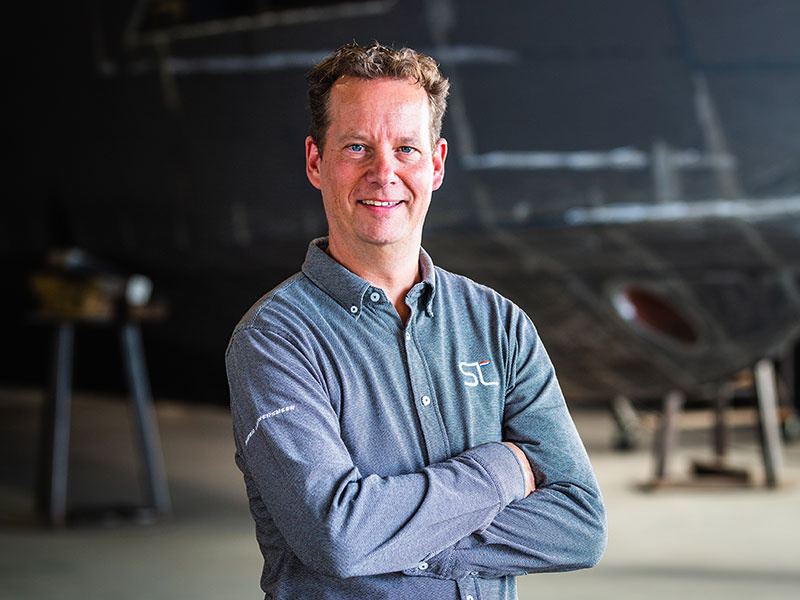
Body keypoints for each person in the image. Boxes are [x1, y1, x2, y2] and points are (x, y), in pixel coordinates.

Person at [226, 42, 606, 600]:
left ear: (437, 164)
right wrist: (502, 470)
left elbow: (579, 526)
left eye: (406, 148)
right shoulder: (274, 342)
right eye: (357, 147)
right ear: (315, 161)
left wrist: (399, 543)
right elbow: (340, 538)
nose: (384, 172)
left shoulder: (499, 324)